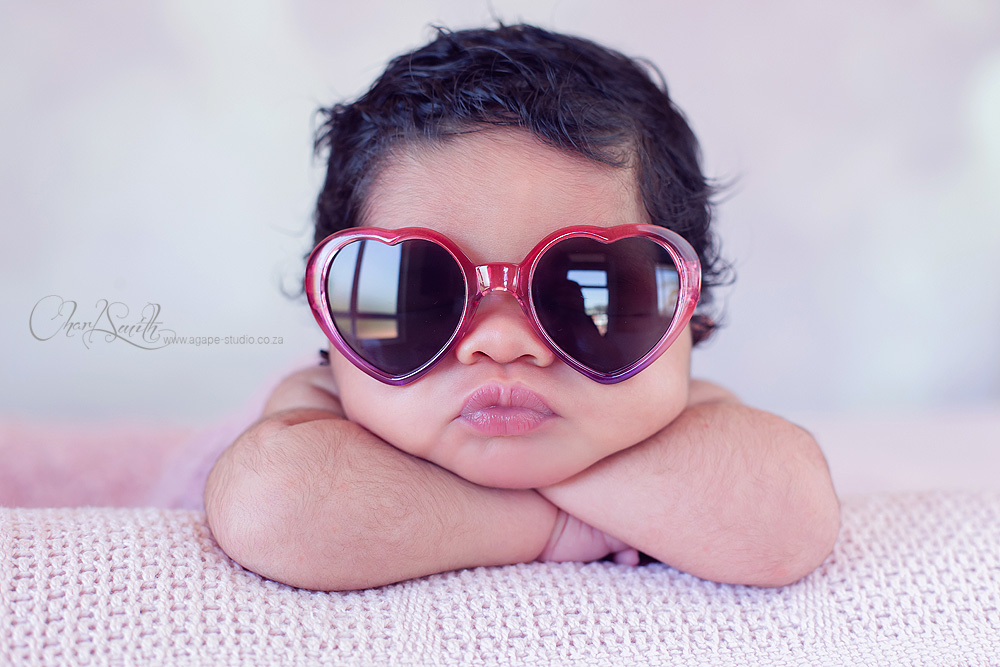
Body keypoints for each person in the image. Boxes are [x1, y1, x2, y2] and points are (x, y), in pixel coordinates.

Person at [204, 23, 840, 591]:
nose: (503, 341)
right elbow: (274, 507)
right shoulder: (316, 414)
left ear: (689, 322)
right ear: (334, 329)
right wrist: (557, 527)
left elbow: (787, 523)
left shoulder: (689, 418)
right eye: (423, 292)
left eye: (585, 292)